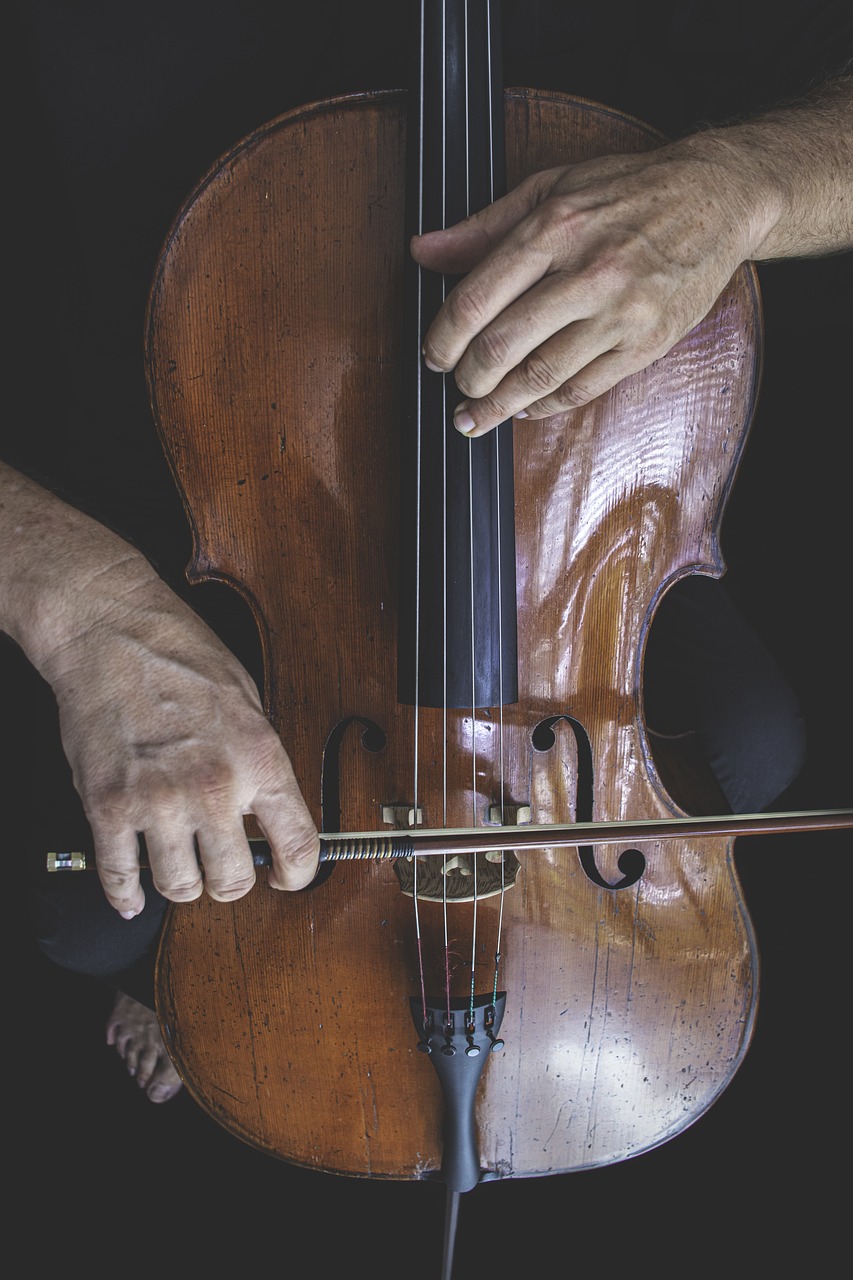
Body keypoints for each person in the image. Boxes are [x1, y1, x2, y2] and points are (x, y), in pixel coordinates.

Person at [3, 0, 851, 1108]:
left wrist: (745, 184)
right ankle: (172, 977)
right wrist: (82, 606)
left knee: (748, 743)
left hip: (564, 479)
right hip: (213, 434)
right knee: (87, 918)